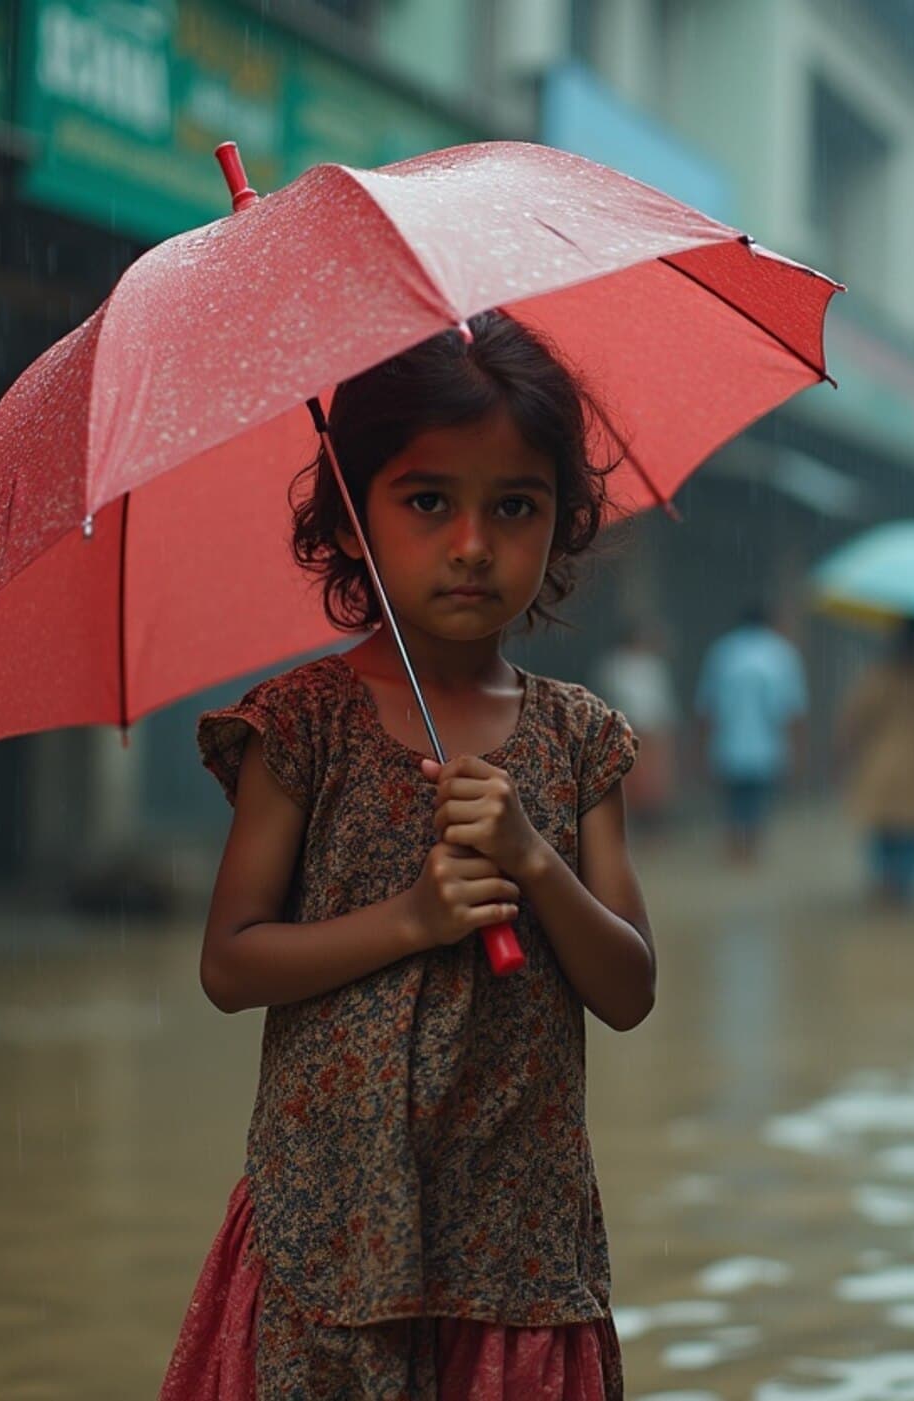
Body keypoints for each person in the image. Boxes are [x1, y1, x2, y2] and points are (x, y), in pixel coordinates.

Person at [165, 311, 652, 1400]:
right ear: (350, 520)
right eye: (427, 501)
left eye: (513, 507)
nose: (472, 544)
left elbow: (628, 989)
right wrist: (412, 922)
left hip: (517, 1244)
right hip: (323, 1230)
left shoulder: (579, 740)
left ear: (560, 527)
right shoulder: (300, 729)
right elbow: (230, 963)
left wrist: (534, 859)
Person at [838, 617, 914, 906]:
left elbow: (852, 722)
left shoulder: (877, 677)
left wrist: (844, 758)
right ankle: (902, 897)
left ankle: (885, 891)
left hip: (879, 767)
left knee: (883, 835)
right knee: (911, 840)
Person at [695, 601, 808, 863]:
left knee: (733, 798)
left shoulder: (723, 651)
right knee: (758, 798)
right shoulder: (781, 653)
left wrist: (700, 746)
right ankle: (752, 848)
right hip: (767, 743)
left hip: (728, 741)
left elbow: (706, 705)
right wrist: (798, 748)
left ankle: (735, 846)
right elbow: (793, 708)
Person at [593, 619, 680, 827]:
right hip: (629, 730)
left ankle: (655, 824)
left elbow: (662, 700)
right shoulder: (614, 665)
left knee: (656, 780)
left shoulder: (654, 665)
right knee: (633, 780)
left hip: (655, 729)